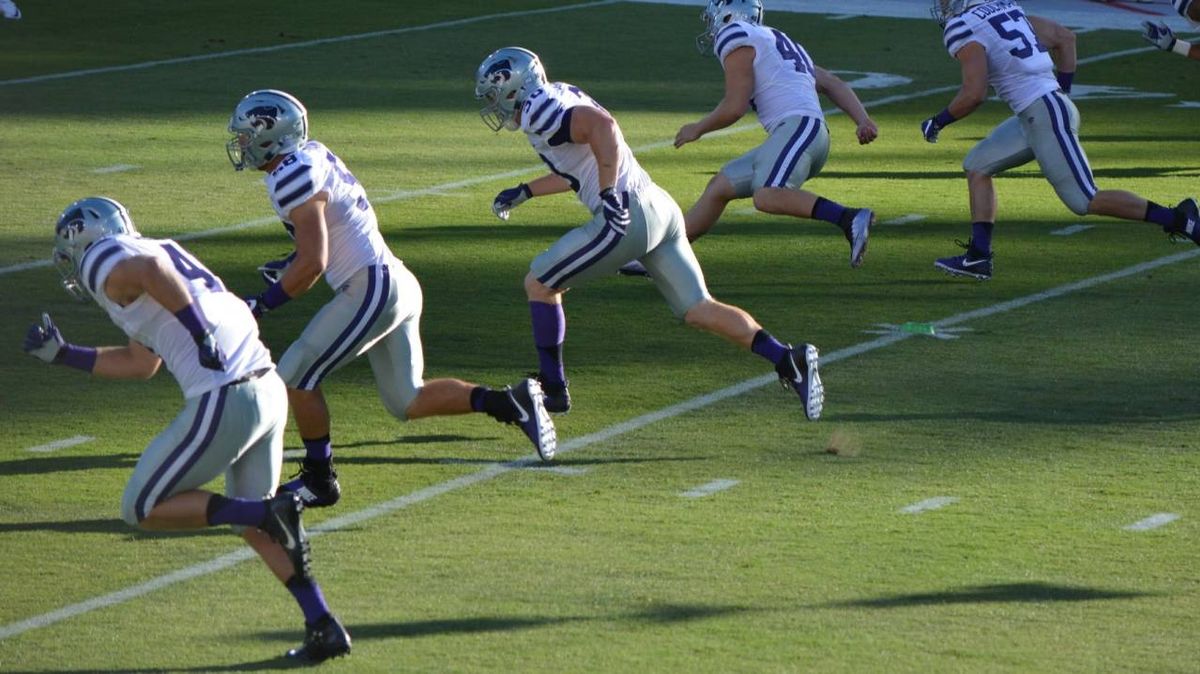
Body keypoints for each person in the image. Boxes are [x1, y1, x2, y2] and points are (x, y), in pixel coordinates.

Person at [22, 197, 350, 663]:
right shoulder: (153, 257)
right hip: (267, 390)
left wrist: (200, 334)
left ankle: (270, 511)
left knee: (142, 506)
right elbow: (141, 363)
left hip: (228, 394)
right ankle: (323, 624)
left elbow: (153, 269)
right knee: (253, 522)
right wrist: (65, 354)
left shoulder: (104, 257)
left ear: (81, 237)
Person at [226, 90, 556, 506]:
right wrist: (293, 261)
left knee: (295, 375)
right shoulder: (309, 156)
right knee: (407, 400)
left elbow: (314, 261)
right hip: (392, 282)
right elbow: (329, 233)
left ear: (269, 136)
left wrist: (264, 303)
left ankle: (319, 479)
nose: (240, 145)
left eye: (245, 135)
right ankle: (509, 402)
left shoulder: (291, 174)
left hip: (371, 288)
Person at [474, 47, 824, 421]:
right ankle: (788, 358)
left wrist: (609, 194)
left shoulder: (536, 110)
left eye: (494, 96)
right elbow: (580, 165)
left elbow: (602, 129)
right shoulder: (557, 94)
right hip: (659, 208)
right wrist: (527, 190)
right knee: (698, 308)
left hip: (628, 214)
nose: (493, 106)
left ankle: (553, 388)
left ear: (516, 88)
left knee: (539, 282)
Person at [922, 0, 1199, 280]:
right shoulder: (1008, 9)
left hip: (1043, 114)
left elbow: (974, 93)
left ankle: (1180, 219)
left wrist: (939, 120)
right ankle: (978, 257)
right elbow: (1065, 39)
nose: (944, 5)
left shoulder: (963, 25)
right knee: (977, 165)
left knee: (1084, 199)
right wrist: (1063, 93)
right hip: (1040, 112)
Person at [671, 0, 878, 269]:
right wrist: (862, 119)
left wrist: (697, 128)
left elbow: (735, 107)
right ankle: (666, 257)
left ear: (730, 14)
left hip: (797, 128)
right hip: (807, 134)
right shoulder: (773, 39)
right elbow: (830, 82)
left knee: (767, 195)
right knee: (719, 187)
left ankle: (848, 217)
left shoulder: (734, 35)